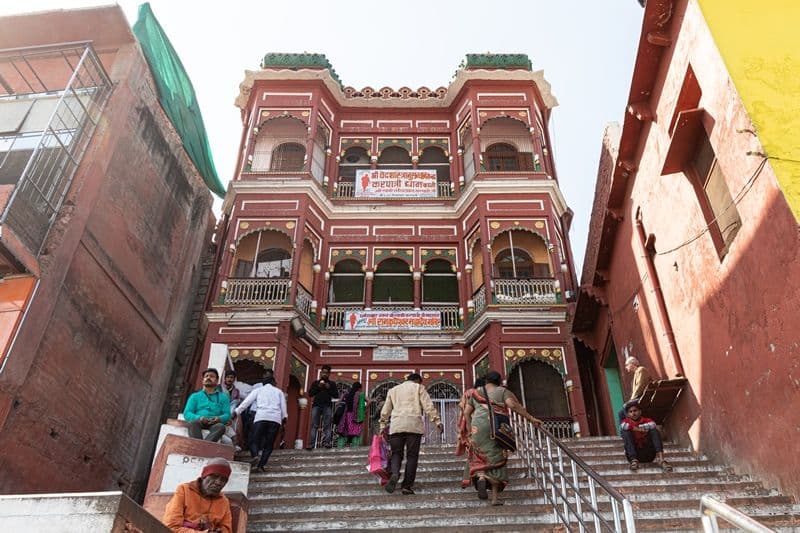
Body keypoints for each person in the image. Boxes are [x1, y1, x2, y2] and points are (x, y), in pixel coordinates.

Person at [460, 370, 541, 505]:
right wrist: (531, 418)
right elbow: (513, 405)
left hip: (478, 426)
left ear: (486, 381)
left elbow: (467, 412)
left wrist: (470, 430)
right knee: (497, 456)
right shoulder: (502, 391)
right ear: (498, 381)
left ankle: (480, 477)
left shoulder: (475, 393)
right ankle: (494, 499)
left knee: (479, 456)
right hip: (496, 427)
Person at [379, 373, 443, 495]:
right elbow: (428, 406)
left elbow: (386, 410)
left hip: (397, 425)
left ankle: (395, 473)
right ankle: (406, 486)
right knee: (412, 456)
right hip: (414, 426)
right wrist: (437, 421)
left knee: (396, 453)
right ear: (418, 381)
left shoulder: (393, 390)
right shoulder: (419, 388)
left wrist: (382, 425)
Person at [162, 457, 233, 533]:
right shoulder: (184, 490)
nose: (218, 482)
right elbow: (171, 527)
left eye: (223, 479)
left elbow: (227, 529)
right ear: (204, 476)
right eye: (214, 476)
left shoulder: (224, 502)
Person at [234, 375, 287, 472]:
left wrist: (236, 412)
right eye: (275, 382)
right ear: (272, 382)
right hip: (275, 419)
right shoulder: (279, 392)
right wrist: (284, 419)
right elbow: (283, 407)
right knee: (269, 444)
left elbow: (246, 402)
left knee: (253, 440)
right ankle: (261, 465)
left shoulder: (258, 390)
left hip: (261, 416)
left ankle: (255, 455)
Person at [620, 400, 672, 472]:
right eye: (630, 412)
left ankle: (661, 460)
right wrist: (638, 429)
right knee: (625, 432)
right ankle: (634, 460)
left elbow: (652, 424)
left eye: (635, 410)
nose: (633, 413)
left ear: (640, 412)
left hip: (649, 454)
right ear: (628, 414)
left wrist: (638, 427)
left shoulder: (647, 420)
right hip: (634, 454)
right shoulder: (626, 421)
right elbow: (623, 426)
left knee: (654, 431)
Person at [183, 368, 231, 442]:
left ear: (217, 381)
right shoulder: (195, 396)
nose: (208, 378)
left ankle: (201, 447)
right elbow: (187, 413)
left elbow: (227, 414)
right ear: (203, 380)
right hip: (199, 422)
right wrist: (199, 418)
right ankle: (202, 448)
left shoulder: (223, 397)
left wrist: (219, 418)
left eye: (211, 376)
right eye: (206, 376)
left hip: (215, 423)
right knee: (193, 423)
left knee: (221, 427)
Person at [307, 365, 339, 449]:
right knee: (314, 425)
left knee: (327, 425)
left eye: (326, 373)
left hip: (327, 406)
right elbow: (310, 394)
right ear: (321, 373)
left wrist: (329, 388)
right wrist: (318, 387)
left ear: (329, 374)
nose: (324, 374)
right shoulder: (315, 383)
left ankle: (327, 443)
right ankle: (311, 444)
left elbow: (336, 395)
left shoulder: (332, 384)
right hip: (316, 406)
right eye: (323, 372)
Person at [618, 356, 652, 421]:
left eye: (627, 365)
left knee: (625, 407)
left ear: (632, 363)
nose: (626, 367)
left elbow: (640, 386)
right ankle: (626, 427)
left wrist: (632, 399)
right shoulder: (636, 373)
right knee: (621, 412)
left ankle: (629, 425)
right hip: (640, 397)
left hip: (644, 396)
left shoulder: (641, 370)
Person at [336, 382, 366, 447]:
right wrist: (364, 409)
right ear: (359, 388)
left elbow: (338, 402)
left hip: (346, 416)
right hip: (356, 416)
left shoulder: (347, 394)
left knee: (345, 432)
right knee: (355, 432)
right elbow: (369, 401)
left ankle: (340, 447)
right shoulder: (360, 394)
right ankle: (355, 447)